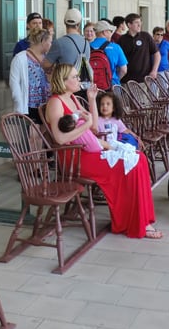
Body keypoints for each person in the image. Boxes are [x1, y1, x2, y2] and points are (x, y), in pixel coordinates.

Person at [45, 64, 162, 239]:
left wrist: (92, 99)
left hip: (88, 150)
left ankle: (141, 219)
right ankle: (134, 223)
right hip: (75, 158)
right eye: (75, 77)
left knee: (140, 159)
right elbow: (60, 139)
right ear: (63, 81)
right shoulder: (55, 102)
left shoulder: (74, 99)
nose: (79, 79)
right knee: (132, 165)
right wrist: (84, 125)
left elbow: (93, 127)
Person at [9, 27, 52, 123]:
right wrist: (19, 105)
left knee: (47, 135)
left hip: (48, 104)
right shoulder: (20, 58)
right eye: (50, 42)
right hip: (30, 106)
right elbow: (14, 83)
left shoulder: (48, 58)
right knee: (33, 135)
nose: (51, 45)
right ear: (43, 41)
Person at [118, 13, 160, 83]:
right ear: (129, 25)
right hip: (127, 80)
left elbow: (157, 54)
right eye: (136, 22)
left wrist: (154, 70)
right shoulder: (122, 39)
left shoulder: (146, 36)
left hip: (144, 79)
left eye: (140, 22)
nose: (139, 25)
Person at [91, 20, 128, 86]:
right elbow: (124, 70)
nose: (112, 34)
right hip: (112, 85)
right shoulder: (115, 47)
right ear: (104, 32)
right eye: (110, 31)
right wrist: (116, 79)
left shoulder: (87, 46)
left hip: (92, 87)